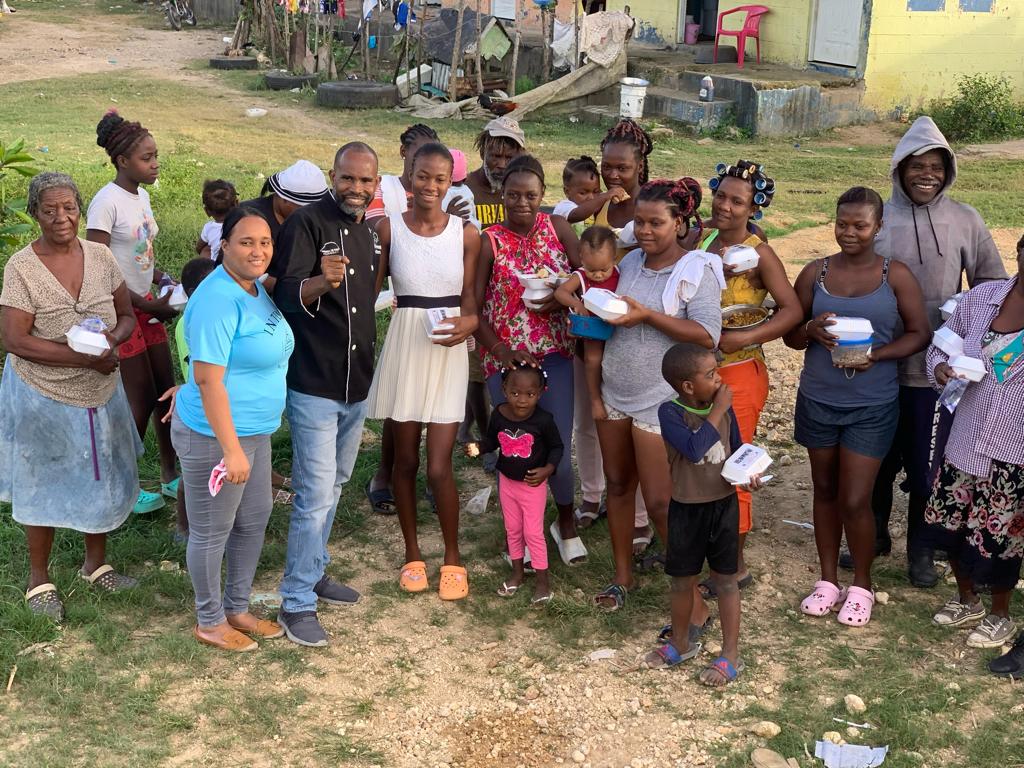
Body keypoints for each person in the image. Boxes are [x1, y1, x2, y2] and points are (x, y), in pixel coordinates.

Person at [869, 116, 1007, 588]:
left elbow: (992, 285)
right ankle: (874, 535)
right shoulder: (879, 217)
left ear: (948, 171)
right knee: (877, 459)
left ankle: (922, 549)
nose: (926, 175)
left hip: (938, 372)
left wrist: (963, 322)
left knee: (928, 466)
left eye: (936, 166)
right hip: (880, 364)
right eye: (917, 165)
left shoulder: (965, 219)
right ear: (899, 168)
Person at [785, 187, 929, 627]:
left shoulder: (894, 275)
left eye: (860, 225)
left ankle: (862, 585)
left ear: (878, 227)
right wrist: (809, 330)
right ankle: (828, 580)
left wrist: (877, 355)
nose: (849, 232)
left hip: (872, 405)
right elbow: (790, 336)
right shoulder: (816, 272)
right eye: (842, 223)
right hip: (818, 398)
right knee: (824, 490)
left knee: (854, 499)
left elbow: (919, 333)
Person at [1, 172, 141, 620]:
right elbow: (15, 340)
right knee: (41, 477)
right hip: (43, 394)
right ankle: (38, 579)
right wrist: (83, 359)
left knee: (99, 471)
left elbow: (126, 314)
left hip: (100, 390)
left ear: (80, 210)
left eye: (69, 208)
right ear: (35, 213)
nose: (61, 218)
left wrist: (111, 342)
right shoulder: (22, 267)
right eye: (49, 210)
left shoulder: (100, 256)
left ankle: (95, 565)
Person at [267, 142, 381, 647]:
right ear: (333, 176)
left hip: (356, 383)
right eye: (348, 178)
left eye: (366, 180)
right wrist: (319, 281)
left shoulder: (370, 232)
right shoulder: (306, 224)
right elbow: (283, 294)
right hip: (314, 381)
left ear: (377, 183)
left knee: (334, 485)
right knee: (313, 495)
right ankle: (295, 602)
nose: (356, 188)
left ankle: (312, 570)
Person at [592, 178, 723, 615]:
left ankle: (693, 600)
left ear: (680, 223)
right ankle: (622, 576)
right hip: (615, 390)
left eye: (656, 223)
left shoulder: (696, 271)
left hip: (659, 400)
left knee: (661, 503)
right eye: (640, 222)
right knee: (617, 486)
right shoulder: (629, 262)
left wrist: (648, 315)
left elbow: (707, 335)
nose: (645, 231)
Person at [172, 207, 294, 652]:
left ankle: (237, 608)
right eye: (246, 242)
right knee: (212, 529)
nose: (258, 251)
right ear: (223, 245)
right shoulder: (218, 299)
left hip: (254, 430)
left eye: (265, 242)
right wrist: (231, 449)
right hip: (215, 436)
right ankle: (209, 619)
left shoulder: (253, 287)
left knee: (254, 517)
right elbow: (207, 380)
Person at [367, 142, 480, 600]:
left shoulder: (466, 234)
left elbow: (470, 297)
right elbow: (371, 289)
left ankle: (453, 557)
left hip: (448, 346)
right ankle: (412, 553)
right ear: (409, 176)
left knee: (438, 466)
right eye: (423, 176)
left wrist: (470, 322)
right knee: (406, 460)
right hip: (406, 343)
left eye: (440, 178)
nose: (431, 186)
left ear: (451, 181)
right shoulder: (388, 228)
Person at [694, 160, 803, 600]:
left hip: (740, 371)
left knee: (733, 467)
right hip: (700, 373)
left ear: (753, 207)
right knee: (701, 463)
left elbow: (792, 310)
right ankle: (709, 552)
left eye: (737, 201)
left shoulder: (760, 254)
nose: (725, 205)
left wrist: (744, 337)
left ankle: (733, 568)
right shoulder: (703, 239)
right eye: (721, 195)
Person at [473, 154, 585, 567]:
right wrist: (501, 352)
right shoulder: (488, 240)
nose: (522, 203)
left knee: (557, 444)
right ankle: (516, 530)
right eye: (513, 195)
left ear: (543, 195)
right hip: (506, 360)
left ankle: (565, 521)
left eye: (531, 195)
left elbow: (589, 276)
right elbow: (474, 307)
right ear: (501, 195)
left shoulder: (558, 227)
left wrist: (560, 299)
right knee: (515, 447)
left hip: (555, 353)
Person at [923, 237, 1024, 662]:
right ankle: (968, 600)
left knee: (1001, 536)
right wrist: (940, 369)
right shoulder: (981, 298)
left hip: (1014, 448)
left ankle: (1001, 614)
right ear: (1019, 251)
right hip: (966, 436)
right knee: (951, 522)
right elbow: (939, 345)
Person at [646, 343, 755, 686]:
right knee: (682, 580)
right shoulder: (670, 413)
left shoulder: (724, 408)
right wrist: (718, 410)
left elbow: (737, 449)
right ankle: (681, 642)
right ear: (688, 386)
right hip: (686, 508)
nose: (719, 379)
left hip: (723, 505)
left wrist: (749, 473)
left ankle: (730, 654)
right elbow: (694, 450)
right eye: (711, 375)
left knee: (726, 580)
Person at [86, 110, 178, 516]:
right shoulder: (105, 203)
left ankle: (170, 474)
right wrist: (145, 305)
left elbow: (139, 252)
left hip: (146, 303)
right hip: (121, 313)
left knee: (165, 391)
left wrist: (162, 277)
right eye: (147, 157)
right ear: (123, 161)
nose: (155, 164)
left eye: (156, 155)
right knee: (137, 401)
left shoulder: (141, 195)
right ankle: (122, 485)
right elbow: (98, 267)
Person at [364, 124, 442, 517]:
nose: (423, 169)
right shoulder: (387, 190)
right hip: (401, 302)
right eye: (417, 157)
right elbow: (378, 231)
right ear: (404, 155)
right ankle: (386, 471)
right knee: (401, 399)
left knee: (433, 399)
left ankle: (430, 474)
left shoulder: (442, 195)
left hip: (439, 307)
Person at [483, 363, 563, 604]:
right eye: (515, 393)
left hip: (532, 486)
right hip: (507, 482)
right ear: (504, 390)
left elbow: (557, 447)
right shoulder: (499, 414)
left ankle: (543, 583)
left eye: (530, 394)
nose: (522, 400)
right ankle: (517, 574)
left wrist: (548, 469)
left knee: (533, 533)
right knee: (513, 529)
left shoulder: (543, 420)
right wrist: (478, 447)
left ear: (540, 393)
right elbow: (491, 441)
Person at [595, 118, 652, 261]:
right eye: (606, 167)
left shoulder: (655, 207)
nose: (612, 175)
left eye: (622, 168)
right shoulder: (599, 205)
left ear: (639, 166)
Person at [364, 123, 439, 223]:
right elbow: (377, 228)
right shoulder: (382, 187)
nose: (428, 161)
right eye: (421, 154)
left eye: (433, 156)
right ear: (403, 151)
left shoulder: (441, 194)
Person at [240, 159, 328, 244]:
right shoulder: (247, 218)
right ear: (285, 199)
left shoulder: (319, 221)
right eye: (306, 208)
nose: (313, 214)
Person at [464, 116, 526, 228]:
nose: (502, 165)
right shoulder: (464, 189)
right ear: (483, 153)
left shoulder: (522, 193)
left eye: (509, 158)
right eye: (496, 156)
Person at [552, 156, 628, 236]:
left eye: (596, 191)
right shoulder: (564, 207)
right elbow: (577, 214)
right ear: (567, 191)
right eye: (583, 193)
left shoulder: (598, 199)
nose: (591, 197)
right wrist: (605, 196)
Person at [196, 179, 238, 262]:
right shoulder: (243, 224)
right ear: (237, 203)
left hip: (216, 267)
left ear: (207, 211)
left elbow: (199, 247)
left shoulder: (209, 228)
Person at [442, 148, 480, 230]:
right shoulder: (467, 190)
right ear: (465, 178)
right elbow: (473, 212)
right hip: (472, 227)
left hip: (454, 229)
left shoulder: (445, 193)